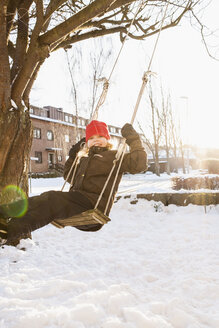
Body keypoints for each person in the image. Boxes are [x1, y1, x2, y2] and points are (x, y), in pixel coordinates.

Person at [0, 120, 147, 246]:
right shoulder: (83, 159)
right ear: (87, 142)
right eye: (92, 137)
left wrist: (133, 140)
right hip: (77, 204)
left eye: (101, 136)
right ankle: (6, 221)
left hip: (93, 205)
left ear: (107, 140)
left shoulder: (115, 157)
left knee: (52, 198)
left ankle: (9, 226)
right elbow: (69, 176)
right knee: (46, 200)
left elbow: (139, 164)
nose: (97, 139)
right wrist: (73, 156)